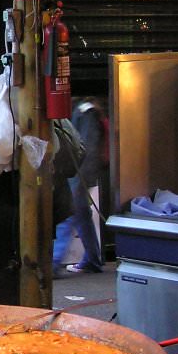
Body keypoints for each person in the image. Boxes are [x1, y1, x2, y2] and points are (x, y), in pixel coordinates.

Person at [53, 97, 107, 275]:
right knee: (81, 214)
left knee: (69, 214)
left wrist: (77, 178)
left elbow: (87, 149)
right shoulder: (86, 111)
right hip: (84, 172)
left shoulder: (84, 112)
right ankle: (92, 259)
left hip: (81, 172)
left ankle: (54, 262)